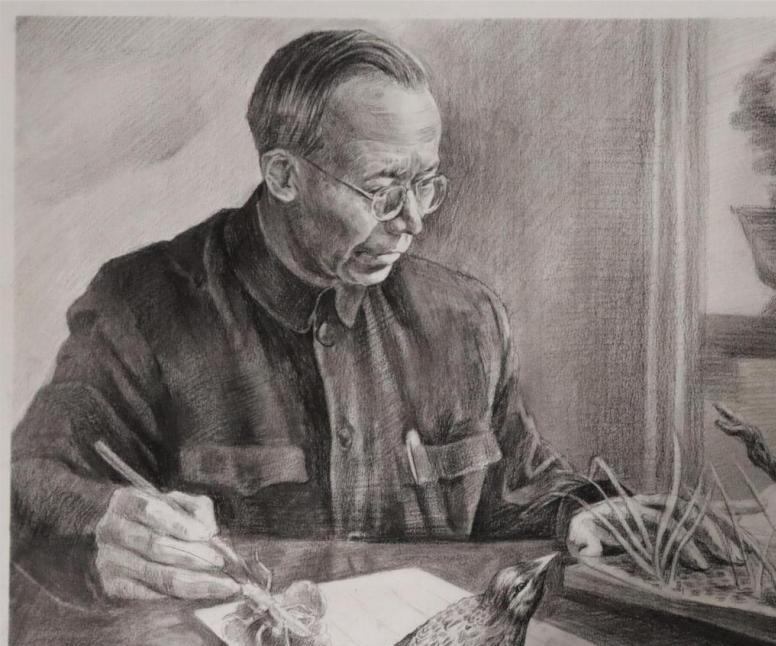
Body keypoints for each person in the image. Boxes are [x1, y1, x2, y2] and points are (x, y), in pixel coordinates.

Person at [12, 29, 624, 603]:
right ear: (284, 175)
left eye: (425, 184)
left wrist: (584, 514)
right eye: (383, 190)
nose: (413, 221)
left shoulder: (467, 319)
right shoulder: (140, 305)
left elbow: (522, 489)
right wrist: (103, 525)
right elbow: (28, 481)